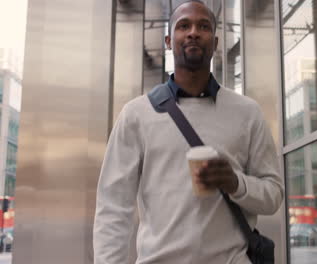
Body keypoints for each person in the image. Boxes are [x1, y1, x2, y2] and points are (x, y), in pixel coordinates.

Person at [93, 1, 284, 263]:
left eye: (203, 26)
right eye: (184, 26)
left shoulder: (247, 112)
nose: (193, 32)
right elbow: (113, 207)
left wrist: (236, 183)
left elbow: (273, 195)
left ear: (215, 42)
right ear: (169, 41)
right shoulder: (136, 114)